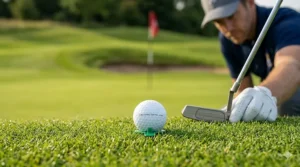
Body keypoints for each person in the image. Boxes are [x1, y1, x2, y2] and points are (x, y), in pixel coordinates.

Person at [200, 0, 300, 122]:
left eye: (231, 16)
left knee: (287, 103)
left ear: (250, 3)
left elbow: (292, 65)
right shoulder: (228, 40)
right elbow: (243, 90)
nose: (228, 28)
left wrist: (265, 92)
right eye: (219, 22)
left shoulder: (286, 21)